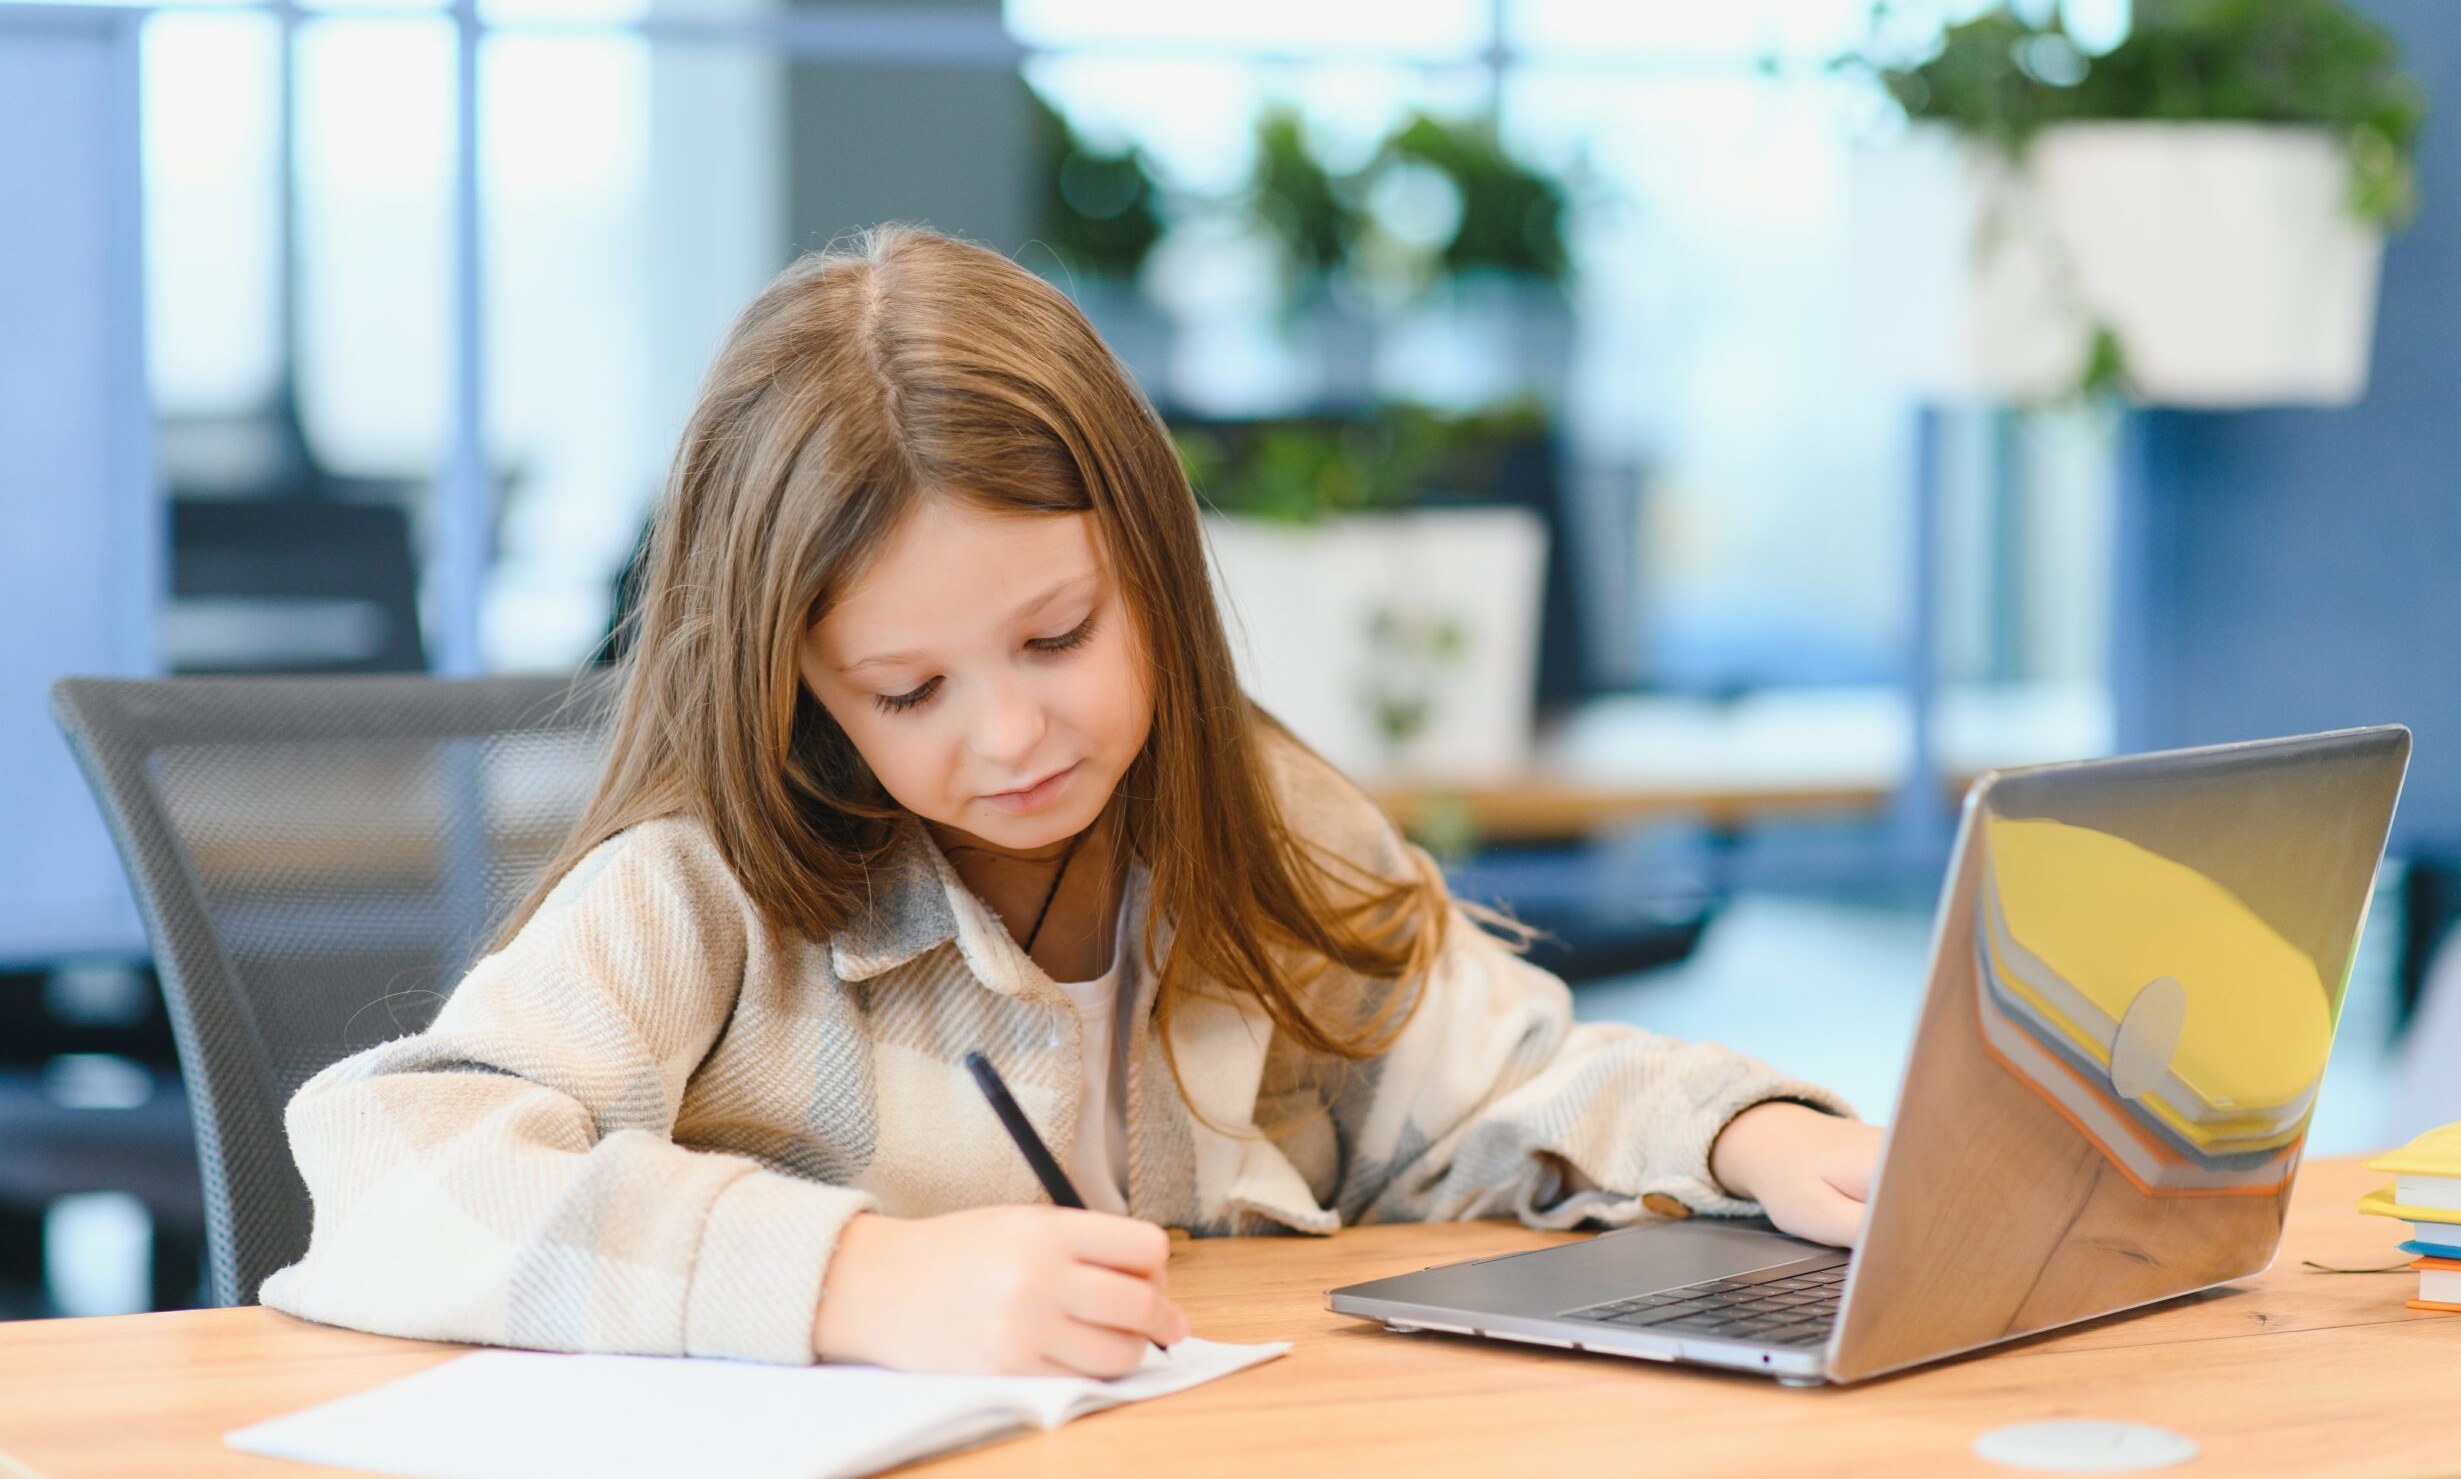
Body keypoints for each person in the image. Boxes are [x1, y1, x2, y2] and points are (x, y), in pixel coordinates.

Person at [259, 225, 1883, 1380]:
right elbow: (397, 1169)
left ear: (1155, 569)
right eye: (909, 692)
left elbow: (1488, 1084)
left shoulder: (1258, 822)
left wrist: (1746, 1135)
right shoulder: (700, 898)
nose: (1015, 732)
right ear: (800, 687)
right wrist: (854, 1281)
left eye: (1059, 636)